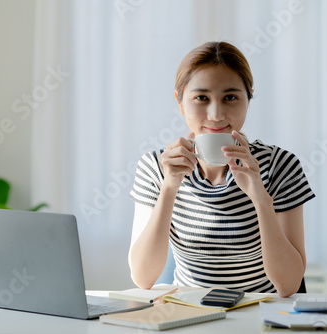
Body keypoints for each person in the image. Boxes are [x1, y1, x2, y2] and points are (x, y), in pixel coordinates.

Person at [128, 41, 315, 297]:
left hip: (259, 312)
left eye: (230, 97)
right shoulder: (156, 166)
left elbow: (289, 285)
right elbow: (143, 278)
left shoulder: (281, 165)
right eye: (201, 98)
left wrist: (260, 197)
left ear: (248, 98)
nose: (216, 115)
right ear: (180, 101)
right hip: (188, 312)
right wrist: (169, 187)